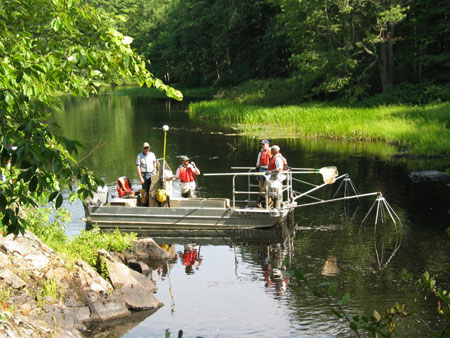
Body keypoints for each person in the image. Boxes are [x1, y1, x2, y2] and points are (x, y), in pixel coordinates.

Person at [256, 139, 271, 204]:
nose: (262, 145)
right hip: (261, 170)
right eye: (262, 144)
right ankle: (266, 202)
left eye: (263, 144)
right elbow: (257, 163)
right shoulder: (260, 153)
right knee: (261, 187)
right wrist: (257, 172)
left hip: (269, 170)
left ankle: (259, 200)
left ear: (268, 145)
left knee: (265, 188)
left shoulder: (272, 151)